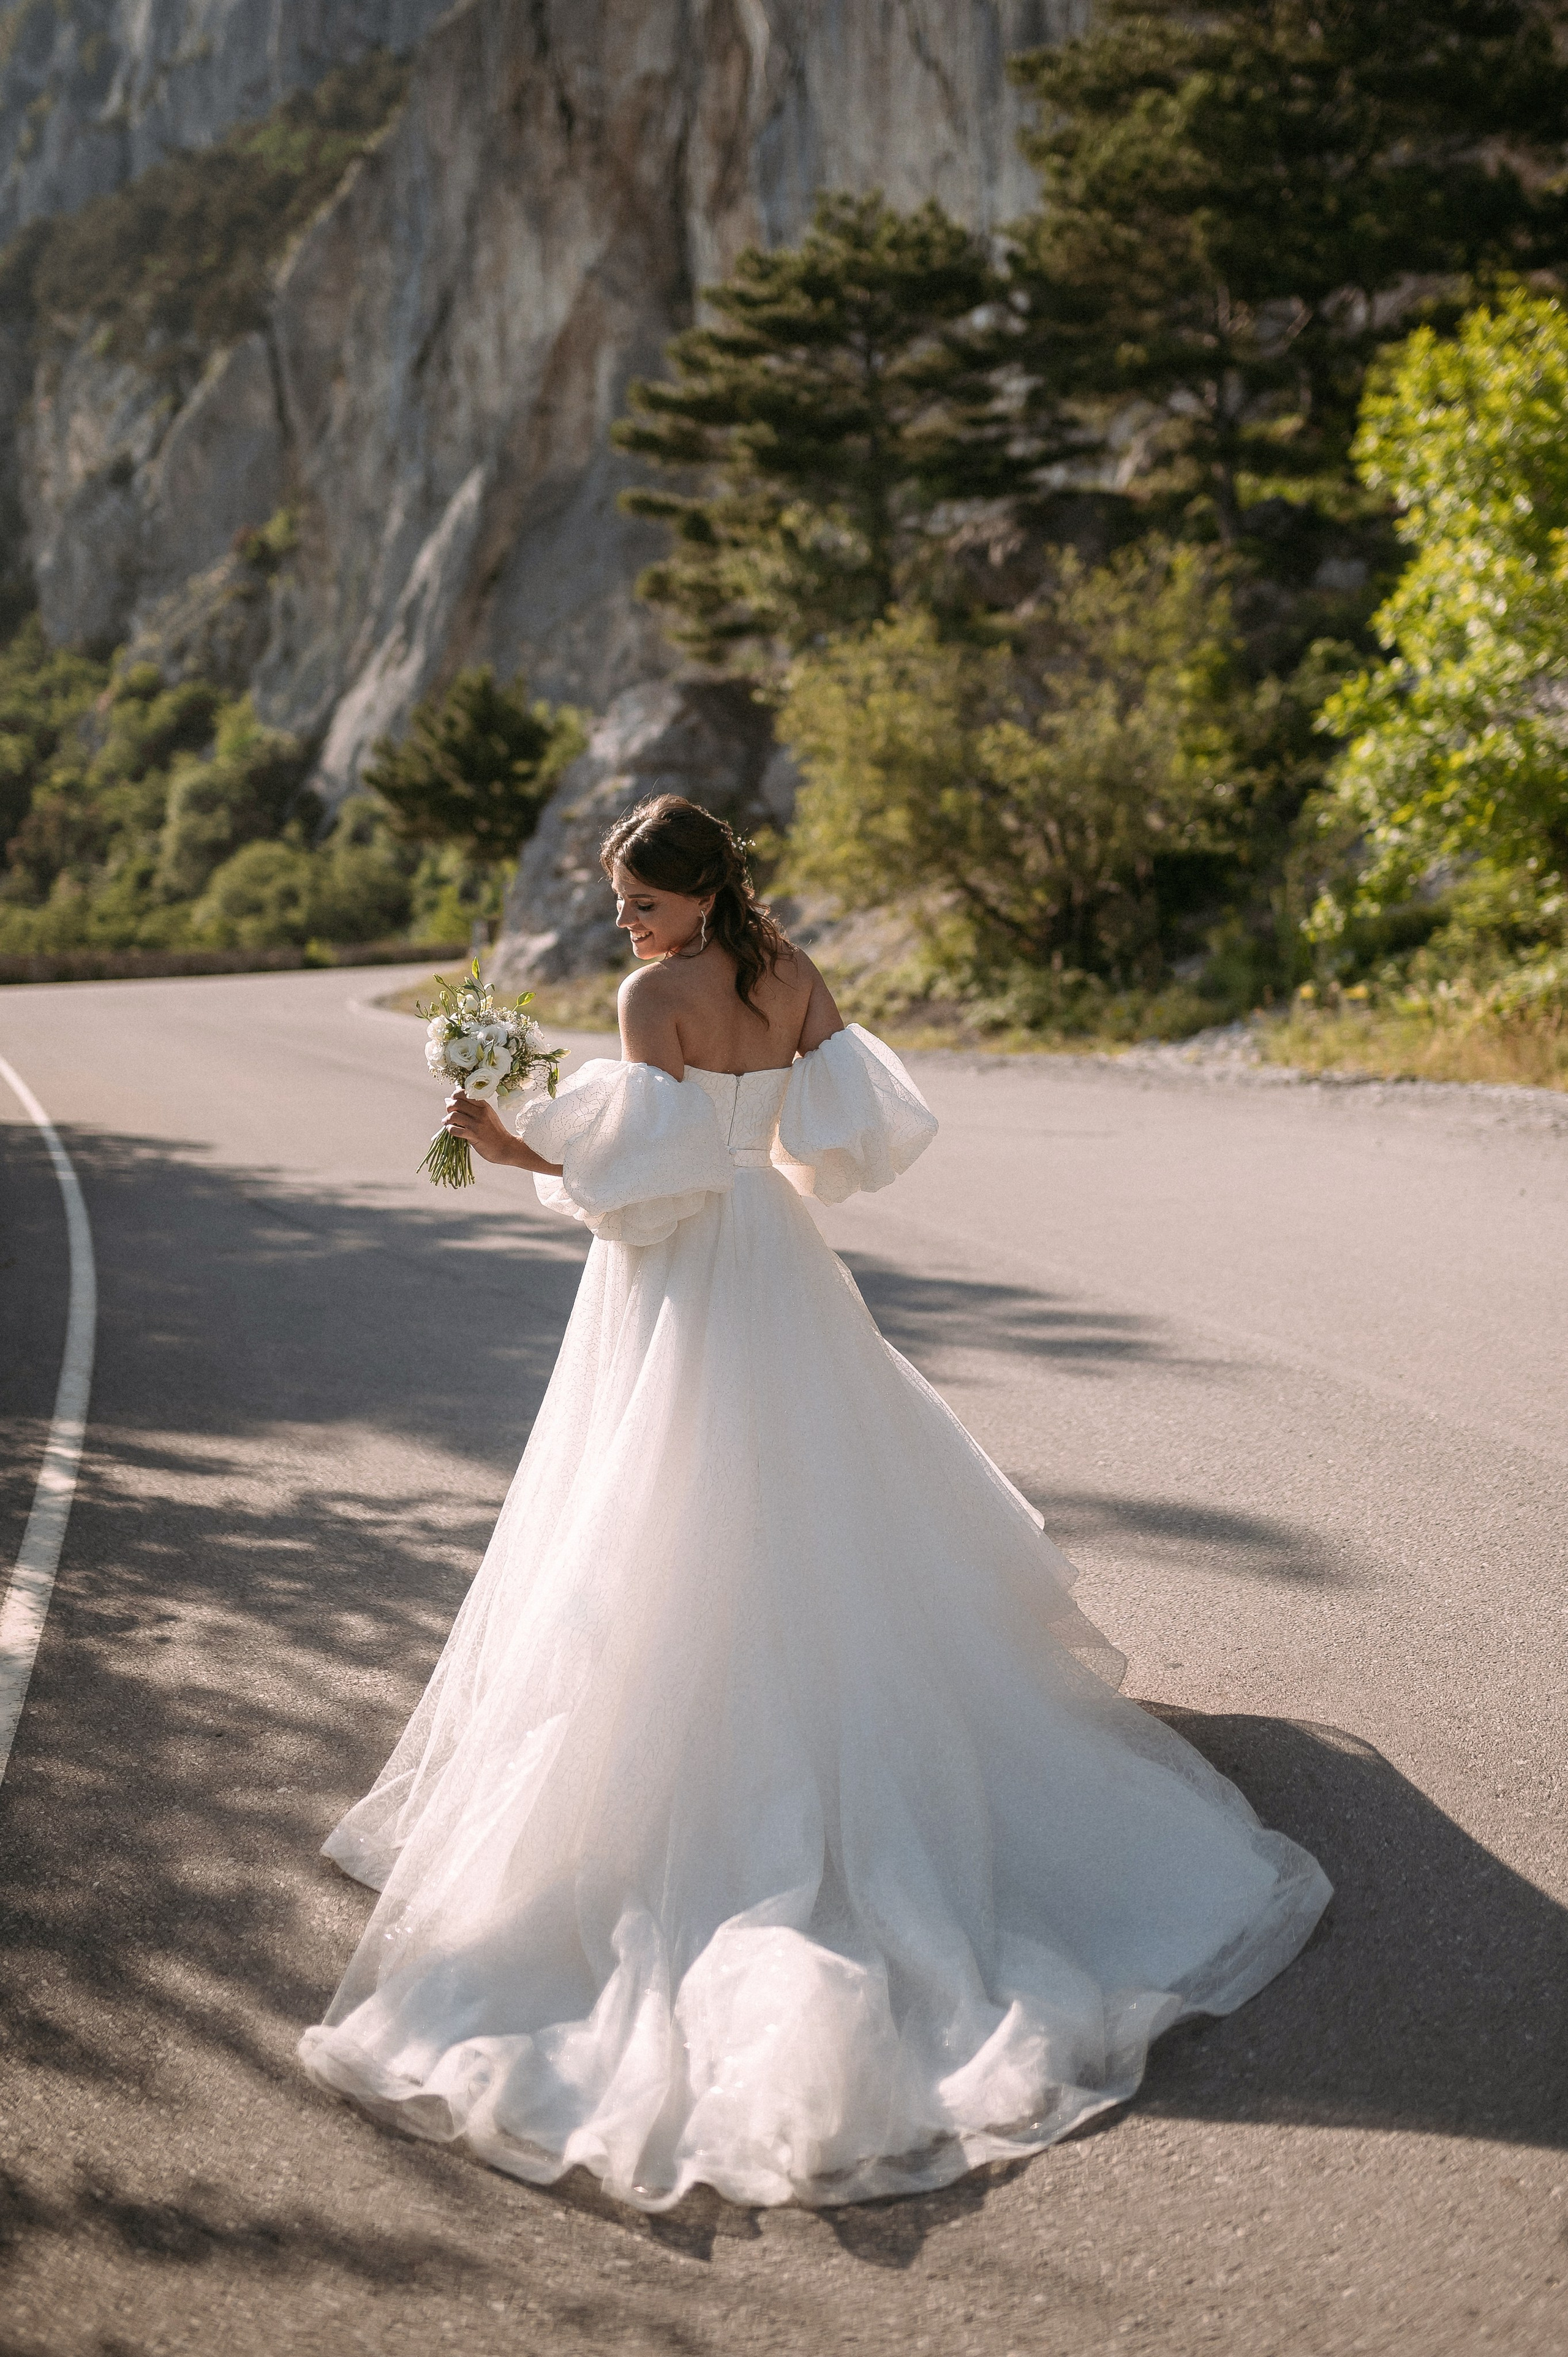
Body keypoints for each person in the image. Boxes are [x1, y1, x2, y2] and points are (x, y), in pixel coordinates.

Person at [300, 795, 1330, 2211]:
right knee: (809, 1498)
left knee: (661, 1506)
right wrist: (659, 1128)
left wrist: (504, 1139)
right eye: (618, 905)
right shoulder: (787, 972)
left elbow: (639, 1188)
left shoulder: (652, 996)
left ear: (689, 896)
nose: (623, 923)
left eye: (637, 901)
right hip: (776, 1257)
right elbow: (830, 1139)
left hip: (685, 1277)